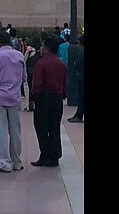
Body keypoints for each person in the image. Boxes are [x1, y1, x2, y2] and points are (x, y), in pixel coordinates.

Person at [0, 34, 27, 173]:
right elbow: (24, 77)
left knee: (0, 131)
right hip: (14, 97)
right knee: (15, 131)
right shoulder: (19, 56)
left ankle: (4, 163)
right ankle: (16, 162)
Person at [31, 37, 67, 167]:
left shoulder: (41, 64)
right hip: (57, 98)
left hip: (44, 98)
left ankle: (45, 154)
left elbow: (37, 84)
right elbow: (64, 82)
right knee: (54, 127)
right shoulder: (61, 64)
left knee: (41, 127)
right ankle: (54, 156)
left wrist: (34, 97)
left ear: (46, 48)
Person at [68, 34, 85, 123]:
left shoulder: (82, 52)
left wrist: (75, 63)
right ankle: (78, 115)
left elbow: (77, 64)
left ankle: (79, 116)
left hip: (82, 77)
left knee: (81, 97)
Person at [24, 44, 40, 112]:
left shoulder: (29, 50)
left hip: (30, 70)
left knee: (31, 87)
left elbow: (24, 59)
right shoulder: (41, 51)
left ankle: (30, 104)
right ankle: (37, 104)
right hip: (38, 70)